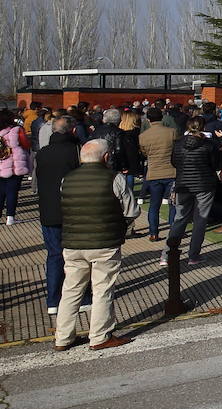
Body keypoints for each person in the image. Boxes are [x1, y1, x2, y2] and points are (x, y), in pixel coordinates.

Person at [53, 140, 138, 351]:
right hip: (105, 242)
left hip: (73, 242)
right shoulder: (114, 178)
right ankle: (100, 336)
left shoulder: (67, 179)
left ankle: (63, 338)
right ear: (106, 157)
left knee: (71, 289)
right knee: (102, 289)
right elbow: (131, 211)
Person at [34, 116, 86, 317]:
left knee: (54, 255)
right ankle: (83, 297)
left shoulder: (42, 153)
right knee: (78, 256)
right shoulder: (75, 151)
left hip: (49, 209)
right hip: (72, 210)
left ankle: (53, 300)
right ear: (72, 131)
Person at [164, 117, 222, 267]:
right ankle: (193, 255)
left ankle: (167, 253)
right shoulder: (209, 145)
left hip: (184, 183)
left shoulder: (178, 144)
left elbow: (174, 162)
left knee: (180, 218)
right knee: (200, 220)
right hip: (204, 184)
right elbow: (216, 164)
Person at [139, 108, 177, 241]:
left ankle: (153, 233)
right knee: (173, 204)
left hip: (154, 172)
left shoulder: (143, 136)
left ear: (148, 120)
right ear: (161, 117)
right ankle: (174, 230)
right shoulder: (172, 132)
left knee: (154, 205)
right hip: (171, 170)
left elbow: (144, 153)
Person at [0, 109, 32, 224]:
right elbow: (26, 144)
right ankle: (10, 217)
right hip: (15, 165)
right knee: (12, 192)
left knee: (1, 191)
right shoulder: (16, 130)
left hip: (1, 164)